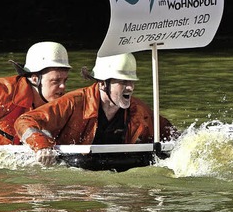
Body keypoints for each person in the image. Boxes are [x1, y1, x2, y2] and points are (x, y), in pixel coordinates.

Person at [15, 52, 178, 165]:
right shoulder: (74, 102)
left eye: (131, 82)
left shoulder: (139, 111)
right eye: (123, 82)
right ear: (102, 83)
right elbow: (25, 121)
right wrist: (42, 146)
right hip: (74, 169)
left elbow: (172, 135)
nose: (130, 88)